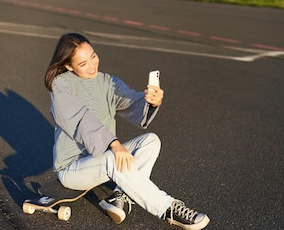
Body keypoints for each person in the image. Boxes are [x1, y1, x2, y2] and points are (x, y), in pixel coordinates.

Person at [44, 33, 210, 229]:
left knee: (151, 140)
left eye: (93, 56)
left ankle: (120, 196)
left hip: (102, 158)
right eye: (83, 64)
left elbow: (131, 101)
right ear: (69, 66)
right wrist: (114, 145)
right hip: (73, 168)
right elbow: (82, 120)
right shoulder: (61, 86)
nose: (92, 65)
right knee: (113, 158)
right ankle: (167, 209)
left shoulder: (106, 81)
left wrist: (151, 101)